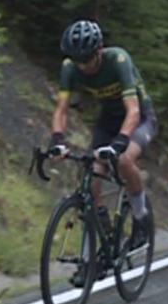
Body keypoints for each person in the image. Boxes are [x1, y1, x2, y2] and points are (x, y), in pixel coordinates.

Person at [48, 20, 157, 286]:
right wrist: (57, 140)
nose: (84, 66)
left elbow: (132, 110)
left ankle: (141, 217)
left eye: (88, 59)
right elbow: (62, 109)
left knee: (123, 159)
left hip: (141, 118)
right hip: (108, 121)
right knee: (91, 181)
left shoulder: (118, 59)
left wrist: (121, 141)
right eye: (78, 60)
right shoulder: (69, 67)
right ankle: (100, 248)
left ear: (99, 50)